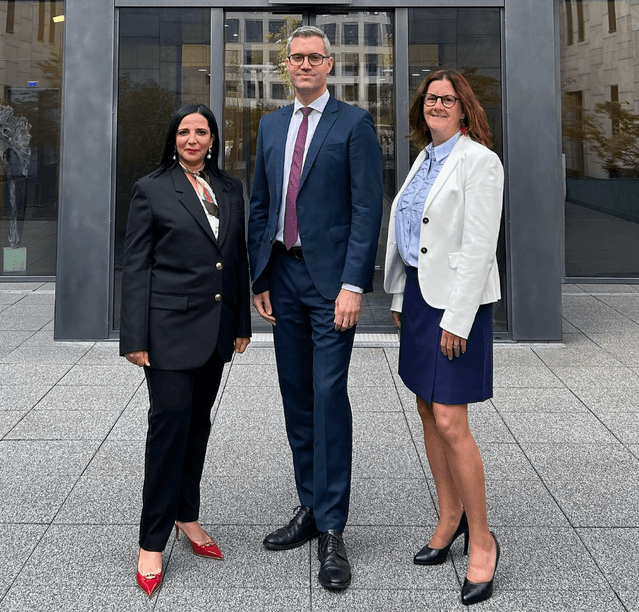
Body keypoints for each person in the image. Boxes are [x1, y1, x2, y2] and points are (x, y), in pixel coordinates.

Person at [248, 25, 382, 591]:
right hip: (283, 276)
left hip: (331, 286)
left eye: (313, 57)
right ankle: (308, 506)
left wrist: (353, 284)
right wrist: (258, 277)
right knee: (297, 394)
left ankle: (332, 528)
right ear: (287, 67)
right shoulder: (271, 125)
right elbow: (261, 203)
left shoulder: (353, 124)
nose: (304, 65)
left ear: (330, 65)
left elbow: (366, 208)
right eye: (295, 58)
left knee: (329, 396)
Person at [120, 103, 251, 598]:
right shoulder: (151, 189)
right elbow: (136, 266)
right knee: (169, 426)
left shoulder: (231, 190)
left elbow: (234, 262)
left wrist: (241, 324)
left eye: (201, 131)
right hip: (167, 332)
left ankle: (186, 516)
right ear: (173, 139)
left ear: (213, 139)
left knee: (198, 426)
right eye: (184, 132)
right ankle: (152, 540)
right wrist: (134, 338)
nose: (192, 139)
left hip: (215, 332)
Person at [383, 69, 503, 606]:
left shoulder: (479, 161)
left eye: (446, 99)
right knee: (427, 410)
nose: (436, 105)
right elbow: (414, 236)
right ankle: (448, 517)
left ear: (463, 108)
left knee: (453, 419)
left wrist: (457, 316)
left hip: (458, 306)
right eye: (430, 98)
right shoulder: (424, 158)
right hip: (419, 299)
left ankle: (482, 541)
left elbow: (479, 245)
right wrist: (397, 298)